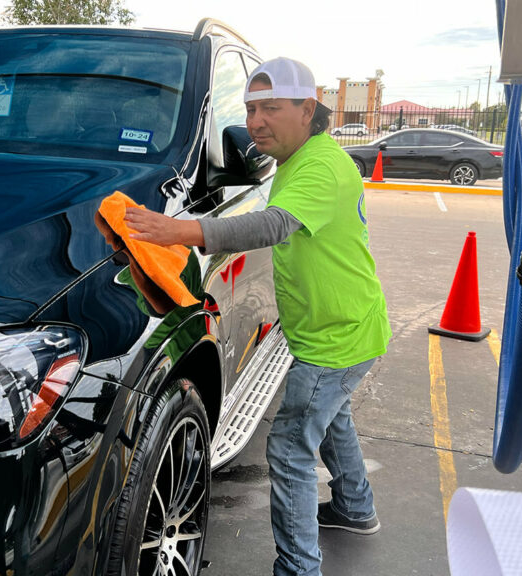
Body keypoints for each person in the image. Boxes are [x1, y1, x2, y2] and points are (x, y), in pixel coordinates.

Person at [124, 57, 391, 576]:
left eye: (272, 107)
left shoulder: (319, 166)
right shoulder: (307, 157)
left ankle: (298, 568)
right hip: (344, 327)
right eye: (250, 109)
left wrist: (184, 231)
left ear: (307, 109)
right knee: (331, 417)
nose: (256, 121)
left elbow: (271, 227)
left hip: (335, 337)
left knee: (291, 447)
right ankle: (356, 509)